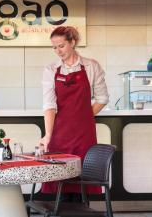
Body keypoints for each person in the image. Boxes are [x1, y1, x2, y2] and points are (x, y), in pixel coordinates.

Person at [40, 26, 109, 199]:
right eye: (54, 47)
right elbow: (49, 105)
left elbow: (102, 98)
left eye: (61, 46)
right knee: (60, 181)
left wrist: (83, 116)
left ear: (73, 42)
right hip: (59, 132)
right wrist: (48, 135)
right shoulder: (51, 70)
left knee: (82, 179)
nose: (57, 51)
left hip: (84, 133)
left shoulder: (91, 66)